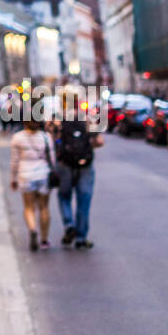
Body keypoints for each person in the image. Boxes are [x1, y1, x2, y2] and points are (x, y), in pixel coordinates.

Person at [54, 104, 104, 248]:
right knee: (84, 200)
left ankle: (69, 224)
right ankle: (81, 237)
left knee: (64, 196)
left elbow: (54, 141)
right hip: (85, 166)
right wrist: (86, 147)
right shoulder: (87, 119)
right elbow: (99, 141)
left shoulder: (59, 119)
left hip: (65, 164)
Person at [10, 118, 55, 251]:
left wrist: (13, 178)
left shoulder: (17, 138)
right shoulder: (46, 137)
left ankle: (32, 229)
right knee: (44, 207)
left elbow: (14, 161)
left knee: (29, 207)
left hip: (25, 175)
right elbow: (52, 159)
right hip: (43, 174)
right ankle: (44, 239)